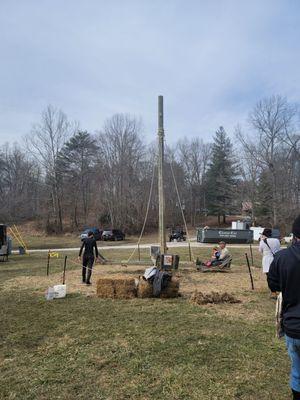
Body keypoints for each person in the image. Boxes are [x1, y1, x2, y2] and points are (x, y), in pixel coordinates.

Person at [268, 215, 300, 399]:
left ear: (294, 234)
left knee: (297, 371)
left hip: (293, 326)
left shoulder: (281, 257)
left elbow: (274, 286)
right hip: (293, 325)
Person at [259, 228, 281, 297]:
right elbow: (278, 249)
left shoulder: (262, 241)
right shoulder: (277, 240)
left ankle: (273, 292)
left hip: (267, 260)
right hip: (276, 259)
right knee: (277, 276)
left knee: (269, 277)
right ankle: (279, 290)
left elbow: (260, 251)